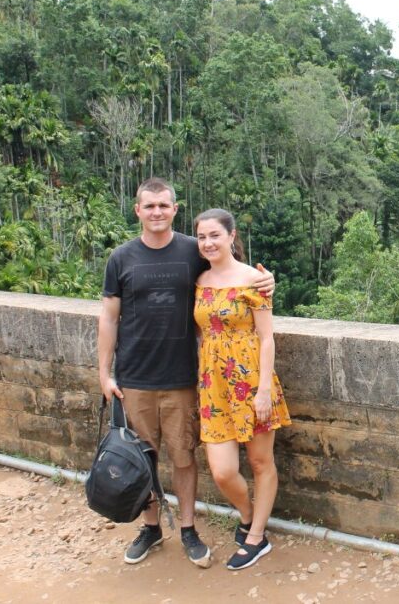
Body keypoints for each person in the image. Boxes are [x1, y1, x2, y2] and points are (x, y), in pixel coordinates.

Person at [98, 178, 275, 568]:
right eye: (150, 206)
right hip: (137, 375)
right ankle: (150, 527)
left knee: (183, 459)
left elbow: (235, 275)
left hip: (185, 378)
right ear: (138, 210)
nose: (157, 212)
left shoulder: (192, 252)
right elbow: (109, 318)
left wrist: (268, 279)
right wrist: (104, 372)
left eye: (164, 205)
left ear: (174, 209)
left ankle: (190, 529)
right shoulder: (121, 258)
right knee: (140, 459)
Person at [192, 208, 291, 570]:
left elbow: (267, 338)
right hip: (213, 385)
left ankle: (256, 537)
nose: (208, 242)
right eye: (202, 237)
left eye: (215, 235)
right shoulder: (198, 278)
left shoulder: (255, 280)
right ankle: (248, 515)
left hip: (250, 381)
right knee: (221, 470)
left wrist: (263, 390)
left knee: (260, 461)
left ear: (232, 236)